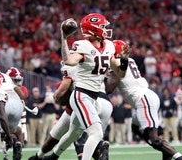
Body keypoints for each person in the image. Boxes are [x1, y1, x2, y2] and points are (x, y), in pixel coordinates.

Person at [42, 13, 129, 160]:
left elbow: (120, 73)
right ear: (93, 31)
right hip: (82, 95)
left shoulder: (108, 45)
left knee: (74, 133)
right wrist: (64, 38)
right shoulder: (84, 46)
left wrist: (125, 61)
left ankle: (53, 157)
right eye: (102, 27)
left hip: (94, 98)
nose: (106, 29)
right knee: (97, 133)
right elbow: (69, 61)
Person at [105, 40, 182, 160]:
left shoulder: (117, 63)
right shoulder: (130, 60)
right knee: (136, 128)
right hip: (144, 98)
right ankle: (165, 149)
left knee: (153, 138)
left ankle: (179, 157)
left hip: (143, 100)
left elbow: (109, 88)